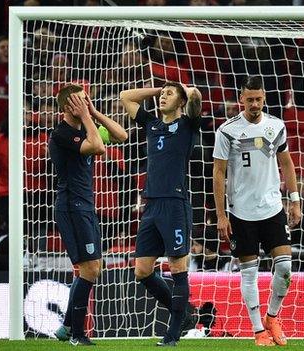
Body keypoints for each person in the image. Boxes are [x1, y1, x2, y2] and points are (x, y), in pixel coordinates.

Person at [212, 76, 301, 346]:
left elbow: (286, 163)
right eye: (249, 99)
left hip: (273, 208)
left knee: (285, 268)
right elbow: (218, 173)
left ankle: (272, 317)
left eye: (258, 99)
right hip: (241, 212)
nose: (254, 104)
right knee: (249, 272)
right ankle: (258, 331)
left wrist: (295, 199)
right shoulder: (227, 130)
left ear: (264, 98)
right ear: (241, 99)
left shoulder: (276, 126)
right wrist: (221, 215)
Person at [119, 81, 202, 346]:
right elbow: (126, 97)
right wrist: (160, 90)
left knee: (178, 267)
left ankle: (174, 333)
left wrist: (185, 92)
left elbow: (196, 99)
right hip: (151, 205)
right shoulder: (151, 124)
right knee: (142, 270)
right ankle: (185, 315)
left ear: (180, 102)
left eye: (169, 94)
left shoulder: (188, 125)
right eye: (161, 94)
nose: (163, 97)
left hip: (175, 204)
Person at [50, 84, 127, 346]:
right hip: (72, 207)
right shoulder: (61, 134)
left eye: (86, 100)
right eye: (80, 102)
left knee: (92, 268)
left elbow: (121, 135)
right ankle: (77, 333)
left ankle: (69, 327)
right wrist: (86, 118)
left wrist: (93, 112)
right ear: (66, 107)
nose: (85, 104)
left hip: (85, 205)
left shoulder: (86, 125)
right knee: (90, 269)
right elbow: (99, 147)